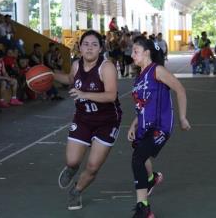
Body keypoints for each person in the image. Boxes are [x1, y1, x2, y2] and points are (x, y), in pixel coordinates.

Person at [54, 30, 122, 211]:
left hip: (107, 122)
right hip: (83, 118)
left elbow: (111, 95)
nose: (89, 48)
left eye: (94, 44)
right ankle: (71, 169)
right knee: (72, 161)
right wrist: (48, 75)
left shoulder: (106, 67)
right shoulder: (76, 65)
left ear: (100, 49)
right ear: (79, 47)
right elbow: (69, 79)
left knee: (92, 166)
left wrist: (85, 94)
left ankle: (76, 191)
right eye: (86, 44)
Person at [128, 36, 191, 218]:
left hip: (159, 127)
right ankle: (152, 179)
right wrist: (134, 124)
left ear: (147, 53)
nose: (132, 55)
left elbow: (180, 89)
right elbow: (143, 105)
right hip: (144, 127)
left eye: (135, 51)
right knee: (138, 154)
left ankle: (144, 209)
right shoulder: (139, 78)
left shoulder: (157, 70)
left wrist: (182, 117)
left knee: (138, 158)